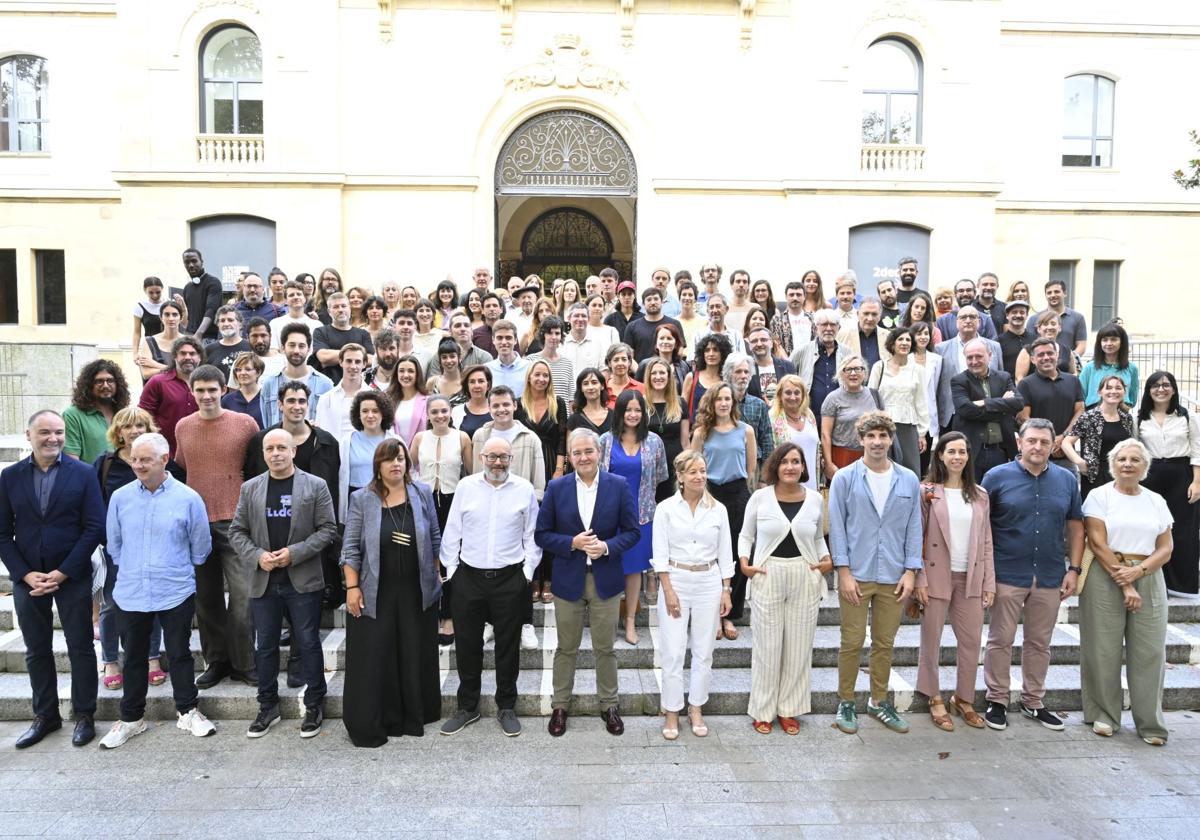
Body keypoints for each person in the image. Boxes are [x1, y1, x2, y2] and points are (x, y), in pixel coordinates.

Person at [97, 432, 216, 749]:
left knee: (179, 654)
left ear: (164, 460)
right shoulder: (121, 498)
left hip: (175, 588)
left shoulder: (188, 498)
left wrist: (172, 566)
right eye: (134, 458)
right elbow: (115, 544)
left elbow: (200, 547)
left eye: (145, 459)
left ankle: (188, 711)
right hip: (132, 590)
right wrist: (136, 567)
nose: (137, 465)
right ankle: (131, 718)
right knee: (133, 657)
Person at [0, 410, 105, 749]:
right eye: (45, 432)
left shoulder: (83, 474)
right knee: (36, 650)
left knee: (81, 648)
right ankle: (45, 716)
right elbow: (2, 533)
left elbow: (94, 528)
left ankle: (85, 715)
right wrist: (25, 574)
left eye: (58, 432)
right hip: (27, 576)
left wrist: (63, 572)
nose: (53, 439)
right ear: (28, 434)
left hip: (71, 574)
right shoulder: (10, 477)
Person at [229, 428, 338, 739]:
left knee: (308, 643)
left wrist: (295, 553)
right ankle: (267, 706)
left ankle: (315, 704)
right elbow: (237, 532)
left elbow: (328, 529)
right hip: (264, 581)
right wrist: (257, 556)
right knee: (264, 647)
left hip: (302, 580)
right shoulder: (250, 488)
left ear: (293, 451)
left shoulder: (315, 486)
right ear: (263, 454)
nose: (275, 453)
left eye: (281, 448)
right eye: (269, 448)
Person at [535, 429, 641, 737]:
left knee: (604, 647)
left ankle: (609, 704)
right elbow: (542, 535)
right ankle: (560, 706)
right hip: (568, 580)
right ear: (569, 457)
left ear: (599, 453)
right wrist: (572, 542)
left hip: (605, 579)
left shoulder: (618, 486)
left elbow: (632, 532)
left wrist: (606, 547)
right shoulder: (557, 488)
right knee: (565, 647)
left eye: (588, 451)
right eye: (577, 452)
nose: (583, 457)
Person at [980, 418, 1083, 732]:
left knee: (1040, 643)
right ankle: (997, 699)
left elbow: (1076, 526)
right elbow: (982, 528)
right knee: (1000, 640)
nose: (1037, 447)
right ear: (1019, 442)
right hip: (1007, 572)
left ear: (1053, 445)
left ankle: (1033, 701)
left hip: (1050, 574)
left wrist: (1074, 570)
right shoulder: (996, 477)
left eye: (1043, 442)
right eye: (1031, 441)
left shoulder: (1067, 480)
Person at [341, 438, 443, 746]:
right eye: (389, 460)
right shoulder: (362, 498)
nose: (396, 464)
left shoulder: (422, 493)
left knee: (414, 650)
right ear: (378, 466)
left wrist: (436, 576)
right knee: (376, 654)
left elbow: (435, 537)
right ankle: (380, 716)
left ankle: (415, 714)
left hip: (416, 590)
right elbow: (350, 547)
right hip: (375, 590)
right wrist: (352, 587)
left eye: (400, 458)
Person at [439, 438, 541, 738]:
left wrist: (526, 573)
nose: (498, 462)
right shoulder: (467, 487)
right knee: (468, 645)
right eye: (493, 456)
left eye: (504, 457)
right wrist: (452, 571)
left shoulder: (523, 489)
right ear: (482, 457)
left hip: (510, 578)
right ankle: (468, 707)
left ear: (512, 458)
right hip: (468, 578)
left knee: (508, 647)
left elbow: (532, 536)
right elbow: (452, 531)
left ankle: (506, 707)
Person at [828, 411, 922, 736]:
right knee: (851, 641)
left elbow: (914, 528)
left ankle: (879, 700)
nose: (877, 442)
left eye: (883, 436)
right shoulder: (844, 478)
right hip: (857, 572)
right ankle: (846, 701)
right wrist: (843, 571)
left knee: (885, 641)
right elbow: (837, 527)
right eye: (871, 436)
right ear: (861, 439)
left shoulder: (908, 479)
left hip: (894, 574)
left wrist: (911, 571)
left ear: (891, 439)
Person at [1080, 439, 1172, 745]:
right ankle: (1105, 715)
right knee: (1102, 648)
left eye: (1135, 459)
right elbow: (1097, 542)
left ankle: (1151, 723)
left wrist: (1140, 572)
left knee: (1150, 651)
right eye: (1122, 459)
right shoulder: (1099, 496)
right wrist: (1127, 581)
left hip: (1148, 575)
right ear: (1112, 464)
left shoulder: (1156, 500)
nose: (1128, 464)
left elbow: (1166, 546)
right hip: (1107, 574)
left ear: (1145, 466)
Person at [174, 365, 261, 689]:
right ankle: (217, 662)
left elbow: (255, 467)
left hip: (236, 522)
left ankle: (244, 663)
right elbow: (185, 465)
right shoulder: (183, 427)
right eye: (201, 390)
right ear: (192, 392)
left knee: (243, 597)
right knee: (206, 599)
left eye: (213, 389)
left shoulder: (245, 424)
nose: (207, 395)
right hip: (197, 523)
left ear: (224, 390)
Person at [738, 442, 829, 735]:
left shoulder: (815, 500)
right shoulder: (761, 498)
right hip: (768, 572)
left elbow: (816, 539)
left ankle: (790, 709)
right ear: (775, 466)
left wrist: (826, 559)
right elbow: (745, 535)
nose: (790, 467)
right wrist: (744, 563)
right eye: (785, 461)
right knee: (767, 646)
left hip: (805, 574)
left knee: (799, 648)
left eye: (796, 461)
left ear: (803, 468)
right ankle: (763, 710)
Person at [93, 408, 183, 692]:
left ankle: (152, 658)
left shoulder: (162, 464)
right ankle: (110, 661)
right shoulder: (104, 464)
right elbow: (95, 506)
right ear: (118, 431)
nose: (133, 431)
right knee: (110, 605)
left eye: (140, 425)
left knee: (151, 603)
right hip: (114, 547)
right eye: (127, 426)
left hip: (153, 548)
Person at [914, 432, 995, 732]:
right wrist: (919, 576)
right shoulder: (927, 492)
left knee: (972, 641)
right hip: (936, 574)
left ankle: (963, 698)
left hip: (970, 575)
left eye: (962, 451)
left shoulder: (979, 494)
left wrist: (990, 582)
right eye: (951, 451)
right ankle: (933, 696)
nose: (957, 457)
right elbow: (917, 537)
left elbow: (986, 539)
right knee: (931, 640)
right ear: (940, 455)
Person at [650, 450, 733, 739]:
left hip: (709, 581)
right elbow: (659, 554)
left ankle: (696, 708)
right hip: (676, 579)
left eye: (702, 470)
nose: (699, 476)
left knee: (703, 650)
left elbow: (726, 552)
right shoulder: (666, 509)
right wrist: (668, 590)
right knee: (673, 651)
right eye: (693, 471)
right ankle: (671, 712)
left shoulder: (718, 509)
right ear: (680, 476)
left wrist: (726, 590)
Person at [599, 391, 668, 645]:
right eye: (628, 409)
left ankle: (629, 621)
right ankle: (607, 620)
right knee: (608, 565)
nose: (633, 414)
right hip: (609, 515)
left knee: (634, 569)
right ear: (619, 412)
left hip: (641, 515)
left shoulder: (654, 442)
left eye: (638, 410)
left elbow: (660, 475)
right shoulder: (605, 440)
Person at [689, 382, 757, 640]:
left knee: (737, 555)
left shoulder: (745, 431)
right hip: (710, 494)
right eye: (719, 399)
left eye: (728, 398)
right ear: (711, 403)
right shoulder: (702, 433)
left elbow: (751, 468)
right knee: (711, 555)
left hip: (738, 494)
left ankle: (729, 615)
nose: (724, 403)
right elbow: (690, 467)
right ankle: (711, 615)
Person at [412, 394, 472, 642]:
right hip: (425, 500)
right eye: (434, 412)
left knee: (449, 557)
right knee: (425, 556)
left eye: (443, 411)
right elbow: (410, 467)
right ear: (428, 414)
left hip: (453, 500)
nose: (439, 416)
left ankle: (448, 615)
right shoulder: (420, 438)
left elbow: (470, 473)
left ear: (450, 412)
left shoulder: (461, 437)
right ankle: (428, 612)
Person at [1137, 371, 1200, 595]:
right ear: (1148, 391)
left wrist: (1197, 482)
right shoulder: (1141, 418)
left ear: (1173, 389)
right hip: (1151, 477)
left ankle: (1182, 584)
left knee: (1183, 529)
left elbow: (1197, 449)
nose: (1160, 389)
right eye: (1155, 385)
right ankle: (1156, 581)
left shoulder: (1187, 416)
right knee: (1153, 528)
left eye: (1165, 385)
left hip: (1181, 475)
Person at [516, 361, 568, 599]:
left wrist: (559, 469)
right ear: (529, 377)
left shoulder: (558, 404)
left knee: (549, 523)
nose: (541, 379)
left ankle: (548, 579)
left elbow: (561, 439)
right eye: (537, 374)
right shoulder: (519, 404)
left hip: (550, 466)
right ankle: (533, 577)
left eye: (545, 375)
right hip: (526, 466)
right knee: (529, 523)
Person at [950, 339, 1024, 481]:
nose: (974, 361)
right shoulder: (959, 381)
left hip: (1000, 449)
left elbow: (1018, 403)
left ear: (990, 355)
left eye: (979, 356)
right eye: (969, 357)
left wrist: (984, 402)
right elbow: (965, 409)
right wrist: (1002, 405)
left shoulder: (1004, 377)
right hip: (972, 450)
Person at [1016, 337, 1085, 476]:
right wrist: (1049, 442)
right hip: (1037, 455)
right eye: (1040, 355)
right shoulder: (1026, 384)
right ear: (1033, 359)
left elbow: (1080, 412)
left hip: (1065, 454)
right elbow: (1024, 418)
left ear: (1057, 355)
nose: (1046, 357)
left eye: (1050, 353)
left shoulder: (1073, 381)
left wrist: (1064, 438)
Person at [867, 327, 928, 476]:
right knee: (882, 469)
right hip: (882, 426)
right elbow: (870, 398)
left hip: (908, 427)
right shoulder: (879, 367)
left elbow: (921, 403)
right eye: (900, 339)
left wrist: (922, 433)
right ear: (892, 344)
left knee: (910, 471)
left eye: (908, 339)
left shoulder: (918, 370)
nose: (904, 343)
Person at [1063, 374, 1135, 499]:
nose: (1113, 391)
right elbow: (1066, 442)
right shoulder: (1089, 417)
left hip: (1121, 474)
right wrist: (1079, 462)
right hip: (1095, 476)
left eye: (1118, 388)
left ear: (1124, 392)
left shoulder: (1126, 418)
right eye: (1109, 388)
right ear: (1100, 392)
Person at [934, 306, 1002, 435]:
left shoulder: (995, 347)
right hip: (952, 414)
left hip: (986, 412)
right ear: (956, 322)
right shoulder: (941, 349)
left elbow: (1000, 378)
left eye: (972, 317)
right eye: (963, 317)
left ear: (980, 322)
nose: (968, 320)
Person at [337, 390, 399, 520]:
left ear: (383, 413)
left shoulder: (395, 441)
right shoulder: (346, 441)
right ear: (358, 414)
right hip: (354, 499)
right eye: (365, 411)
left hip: (386, 498)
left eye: (375, 411)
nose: (370, 415)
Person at [259, 323, 334, 428]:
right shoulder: (269, 384)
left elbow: (330, 424)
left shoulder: (326, 384)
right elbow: (266, 424)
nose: (296, 351)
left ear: (309, 349)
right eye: (292, 345)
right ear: (283, 348)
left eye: (301, 346)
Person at [137, 335, 201, 456]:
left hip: (198, 453)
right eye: (183, 353)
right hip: (165, 454)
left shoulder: (207, 385)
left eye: (192, 354)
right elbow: (143, 416)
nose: (188, 357)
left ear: (199, 358)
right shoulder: (158, 382)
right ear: (175, 356)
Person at [819, 354, 874, 480]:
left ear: (864, 372)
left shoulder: (874, 395)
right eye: (848, 369)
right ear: (841, 374)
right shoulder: (832, 399)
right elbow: (825, 434)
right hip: (842, 458)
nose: (853, 373)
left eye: (858, 369)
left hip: (870, 457)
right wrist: (828, 464)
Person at [793, 309, 850, 427]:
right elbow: (787, 377)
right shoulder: (801, 351)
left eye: (833, 324)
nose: (828, 328)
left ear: (838, 328)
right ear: (815, 328)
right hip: (808, 416)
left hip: (840, 418)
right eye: (824, 324)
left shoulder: (847, 353)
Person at [63, 359, 128, 463]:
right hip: (91, 478)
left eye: (110, 380)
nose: (106, 385)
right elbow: (71, 460)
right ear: (88, 385)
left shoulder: (123, 414)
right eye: (99, 381)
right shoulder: (72, 415)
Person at [644, 358, 687, 502]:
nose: (658, 377)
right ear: (648, 377)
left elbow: (685, 441)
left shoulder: (680, 403)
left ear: (669, 376)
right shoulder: (640, 403)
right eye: (654, 373)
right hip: (649, 466)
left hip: (674, 465)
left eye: (662, 373)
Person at [768, 375, 820, 491]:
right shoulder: (772, 418)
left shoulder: (809, 415)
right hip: (784, 485)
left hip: (811, 483)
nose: (793, 397)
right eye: (788, 393)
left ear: (803, 396)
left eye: (797, 393)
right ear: (780, 395)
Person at [313, 292, 375, 386]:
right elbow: (324, 357)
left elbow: (371, 360)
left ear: (349, 309)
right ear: (329, 312)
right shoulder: (320, 332)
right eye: (336, 307)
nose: (340, 310)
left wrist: (333, 357)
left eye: (343, 306)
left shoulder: (363, 334)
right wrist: (358, 356)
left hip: (359, 388)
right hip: (330, 387)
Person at [724, 353, 775, 467]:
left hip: (753, 465)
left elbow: (767, 441)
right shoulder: (718, 402)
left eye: (746, 372)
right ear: (728, 374)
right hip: (725, 464)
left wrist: (764, 477)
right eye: (738, 371)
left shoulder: (759, 405)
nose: (743, 376)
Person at [314, 343, 369, 437]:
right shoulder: (326, 399)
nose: (353, 366)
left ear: (364, 364)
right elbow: (321, 434)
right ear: (341, 362)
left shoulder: (374, 397)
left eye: (357, 362)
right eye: (349, 361)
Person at [1079, 322, 1139, 408]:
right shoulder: (1089, 368)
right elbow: (1080, 397)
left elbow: (1132, 398)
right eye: (1105, 340)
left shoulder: (1132, 368)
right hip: (1093, 414)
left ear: (1122, 342)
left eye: (1113, 339)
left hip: (1121, 413)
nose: (1109, 343)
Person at [1013, 310, 1078, 382]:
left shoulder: (1067, 351)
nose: (1049, 327)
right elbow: (1019, 378)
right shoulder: (1028, 351)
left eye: (1053, 324)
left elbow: (1073, 374)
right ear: (1039, 329)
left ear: (1059, 328)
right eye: (1045, 324)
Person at [682, 332, 732, 421]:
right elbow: (683, 410)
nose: (711, 354)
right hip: (695, 430)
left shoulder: (727, 379)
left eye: (715, 350)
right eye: (707, 350)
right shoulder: (692, 377)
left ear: (723, 353)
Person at [624, 287, 681, 362]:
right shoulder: (632, 327)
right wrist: (640, 371)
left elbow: (680, 350)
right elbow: (628, 355)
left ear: (662, 301)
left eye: (656, 299)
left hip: (668, 371)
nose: (653, 302)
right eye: (649, 300)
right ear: (643, 304)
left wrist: (669, 370)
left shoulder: (674, 324)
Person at [428, 312, 493, 377]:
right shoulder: (439, 357)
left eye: (466, 325)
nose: (463, 329)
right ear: (450, 332)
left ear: (472, 331)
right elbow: (434, 384)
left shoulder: (484, 357)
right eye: (458, 326)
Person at [134, 299, 185, 382]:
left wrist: (155, 365)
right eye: (167, 315)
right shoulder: (149, 341)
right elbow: (146, 374)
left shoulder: (188, 341)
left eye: (175, 315)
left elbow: (188, 372)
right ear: (161, 318)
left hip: (181, 390)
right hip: (156, 390)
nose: (171, 318)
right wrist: (174, 369)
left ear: (181, 317)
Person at [527, 316, 575, 404]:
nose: (554, 337)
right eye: (549, 333)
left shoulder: (567, 363)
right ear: (543, 335)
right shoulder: (530, 360)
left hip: (563, 416)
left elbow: (571, 398)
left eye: (557, 333)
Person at [1035, 278, 1088, 356]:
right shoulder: (1035, 319)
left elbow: (1081, 345)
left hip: (1068, 365)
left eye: (1056, 292)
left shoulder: (1078, 318)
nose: (1053, 295)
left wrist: (1068, 359)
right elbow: (1030, 344)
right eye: (1049, 293)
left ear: (1065, 293)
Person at [745, 325, 795, 405]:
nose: (759, 344)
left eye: (763, 340)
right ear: (749, 346)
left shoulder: (788, 367)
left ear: (771, 343)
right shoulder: (745, 370)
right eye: (754, 341)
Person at [180, 248, 222, 340]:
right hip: (190, 336)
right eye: (187, 262)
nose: (191, 265)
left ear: (201, 262)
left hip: (209, 338)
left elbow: (211, 310)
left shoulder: (213, 282)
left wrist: (199, 333)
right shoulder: (187, 288)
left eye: (194, 261)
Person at [269, 280, 325, 349]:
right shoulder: (275, 324)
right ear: (286, 301)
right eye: (291, 295)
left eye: (299, 294)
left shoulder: (317, 325)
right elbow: (274, 350)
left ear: (304, 299)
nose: (296, 297)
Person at [837, 298, 889, 371]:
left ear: (879, 317)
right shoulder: (843, 335)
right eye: (866, 313)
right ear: (858, 314)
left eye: (874, 314)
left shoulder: (888, 336)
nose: (870, 318)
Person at [205, 305, 251, 382]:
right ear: (218, 325)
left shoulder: (250, 347)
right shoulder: (209, 350)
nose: (226, 324)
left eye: (230, 320)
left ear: (240, 324)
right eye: (222, 321)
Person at [768, 280, 813, 359]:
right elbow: (776, 346)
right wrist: (788, 364)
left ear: (804, 297)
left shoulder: (813, 319)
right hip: (786, 365)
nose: (795, 298)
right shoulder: (776, 320)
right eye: (791, 295)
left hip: (810, 364)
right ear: (786, 297)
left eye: (798, 295)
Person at [485, 320, 530, 397]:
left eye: (508, 338)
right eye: (499, 338)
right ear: (493, 340)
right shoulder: (486, 369)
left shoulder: (529, 367)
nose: (504, 342)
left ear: (515, 340)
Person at [222, 351, 266, 429]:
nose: (242, 373)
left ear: (258, 372)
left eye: (248, 369)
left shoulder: (267, 398)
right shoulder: (227, 400)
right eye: (238, 370)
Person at [568, 367, 613, 436]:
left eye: (594, 382)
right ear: (581, 389)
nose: (590, 387)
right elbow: (570, 446)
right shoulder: (574, 419)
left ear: (602, 386)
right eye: (585, 384)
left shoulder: (614, 416)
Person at [452, 364, 493, 439]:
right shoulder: (456, 411)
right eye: (472, 382)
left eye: (481, 381)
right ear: (467, 386)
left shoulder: (497, 410)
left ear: (488, 385)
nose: (476, 385)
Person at [995, 300, 1031, 378]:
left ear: (1027, 315)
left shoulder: (1035, 339)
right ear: (1007, 316)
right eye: (1014, 312)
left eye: (1022, 312)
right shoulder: (998, 342)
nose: (1018, 315)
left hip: (1032, 387)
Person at [131, 275, 166, 353]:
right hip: (150, 347)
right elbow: (137, 333)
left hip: (168, 346)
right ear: (144, 290)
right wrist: (135, 353)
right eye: (151, 292)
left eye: (158, 292)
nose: (155, 295)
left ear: (162, 289)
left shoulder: (169, 304)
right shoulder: (140, 307)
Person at [603, 342, 644, 407]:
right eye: (616, 360)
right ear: (609, 363)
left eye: (624, 359)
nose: (620, 363)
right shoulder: (602, 388)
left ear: (629, 362)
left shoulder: (642, 388)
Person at [675, 280, 706, 356]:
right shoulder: (674, 322)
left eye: (690, 295)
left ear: (695, 299)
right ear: (679, 298)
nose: (687, 297)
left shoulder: (704, 322)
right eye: (684, 294)